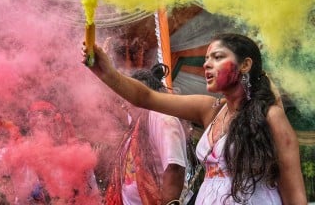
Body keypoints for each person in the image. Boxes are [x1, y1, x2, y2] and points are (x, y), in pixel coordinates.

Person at [82, 33, 307, 204]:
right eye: (207, 58)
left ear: (245, 65)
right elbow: (145, 97)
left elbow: (294, 193)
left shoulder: (271, 116)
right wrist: (107, 72)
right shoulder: (210, 109)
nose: (206, 64)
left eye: (218, 57)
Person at [105, 63, 189, 205]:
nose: (123, 104)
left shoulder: (162, 118)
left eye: (128, 97)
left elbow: (174, 168)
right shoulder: (136, 122)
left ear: (142, 96)